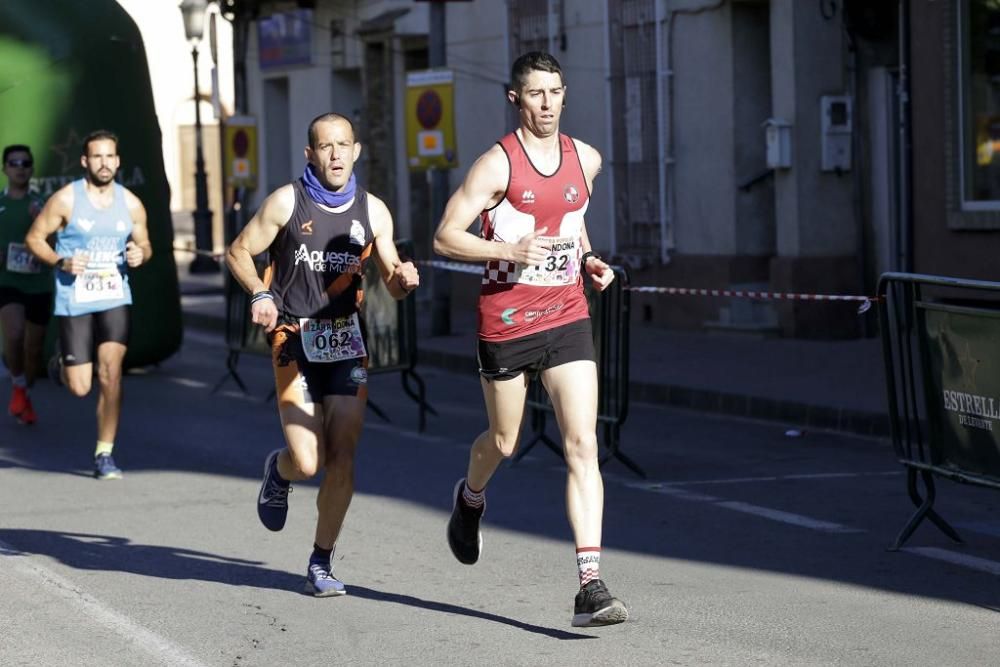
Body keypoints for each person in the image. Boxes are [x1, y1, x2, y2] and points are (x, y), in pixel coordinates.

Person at [433, 51, 628, 627]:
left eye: (556, 92)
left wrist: (591, 259)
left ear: (566, 94)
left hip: (567, 314)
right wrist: (507, 251)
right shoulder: (497, 166)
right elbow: (446, 237)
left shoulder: (586, 159)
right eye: (536, 94)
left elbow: (574, 221)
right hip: (507, 320)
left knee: (582, 446)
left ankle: (590, 586)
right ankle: (469, 499)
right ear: (515, 98)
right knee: (504, 440)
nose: (548, 104)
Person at [226, 112, 419, 597]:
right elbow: (238, 251)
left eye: (343, 145)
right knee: (309, 461)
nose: (335, 154)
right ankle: (281, 469)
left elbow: (393, 280)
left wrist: (403, 280)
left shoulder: (374, 211)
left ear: (356, 151)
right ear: (310, 154)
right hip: (293, 336)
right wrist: (259, 294)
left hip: (346, 341)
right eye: (325, 146)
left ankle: (321, 560)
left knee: (345, 456)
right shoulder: (286, 202)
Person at [25, 130, 152, 480]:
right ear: (85, 161)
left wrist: (140, 254)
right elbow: (34, 238)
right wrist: (59, 261)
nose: (104, 163)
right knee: (80, 386)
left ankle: (104, 453)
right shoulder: (66, 200)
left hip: (114, 295)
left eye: (110, 156)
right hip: (75, 297)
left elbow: (145, 244)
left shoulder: (130, 203)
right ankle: (62, 360)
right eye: (97, 157)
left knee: (110, 373)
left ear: (118, 160)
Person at [0, 145, 50, 424]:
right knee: (15, 335)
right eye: (14, 163)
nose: (20, 167)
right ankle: (19, 388)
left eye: (26, 163)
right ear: (5, 169)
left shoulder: (42, 205)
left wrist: (40, 224)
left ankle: (24, 390)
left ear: (31, 168)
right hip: (7, 281)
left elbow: (56, 247)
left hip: (38, 283)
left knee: (33, 350)